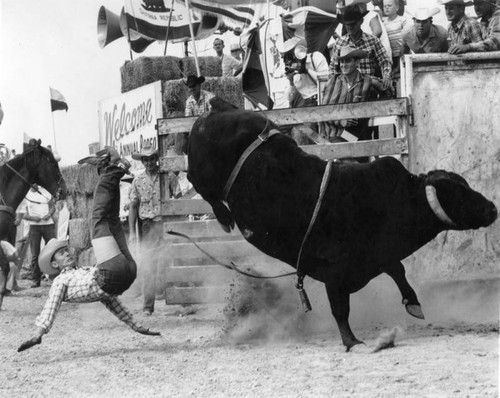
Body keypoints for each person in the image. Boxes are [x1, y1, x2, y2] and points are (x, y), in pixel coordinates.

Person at [17, 147, 160, 352]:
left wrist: (135, 326)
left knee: (110, 220)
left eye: (65, 250)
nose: (68, 253)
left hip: (124, 274)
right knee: (98, 217)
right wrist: (38, 333)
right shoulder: (59, 282)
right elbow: (51, 308)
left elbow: (111, 302)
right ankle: (116, 168)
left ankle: (106, 171)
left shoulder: (79, 272)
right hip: (114, 274)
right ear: (54, 265)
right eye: (62, 253)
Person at [128, 143, 181, 316]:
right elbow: (133, 208)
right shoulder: (137, 180)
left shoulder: (168, 176)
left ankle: (183, 300)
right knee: (148, 265)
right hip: (148, 226)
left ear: (156, 159)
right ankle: (147, 306)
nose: (149, 162)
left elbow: (179, 199)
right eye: (146, 159)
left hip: (166, 224)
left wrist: (179, 223)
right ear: (142, 161)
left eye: (152, 159)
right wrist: (132, 234)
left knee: (173, 260)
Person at [321, 45, 392, 161]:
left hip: (354, 135)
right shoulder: (332, 82)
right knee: (350, 162)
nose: (343, 65)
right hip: (334, 134)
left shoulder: (368, 81)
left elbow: (387, 91)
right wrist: (342, 120)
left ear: (357, 63)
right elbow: (323, 112)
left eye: (348, 61)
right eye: (342, 62)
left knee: (364, 158)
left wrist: (373, 108)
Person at [330, 5, 393, 92]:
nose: (350, 27)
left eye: (353, 24)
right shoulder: (339, 43)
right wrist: (333, 85)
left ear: (360, 21)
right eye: (348, 24)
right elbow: (333, 67)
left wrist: (386, 76)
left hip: (369, 87)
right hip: (347, 88)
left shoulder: (373, 41)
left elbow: (385, 61)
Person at [19, 184, 56, 288]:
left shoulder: (45, 192)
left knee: (53, 252)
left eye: (36, 183)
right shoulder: (25, 195)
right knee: (35, 254)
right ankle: (36, 280)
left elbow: (53, 207)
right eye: (32, 183)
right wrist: (33, 218)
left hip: (48, 225)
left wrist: (49, 215)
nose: (34, 185)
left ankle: (54, 278)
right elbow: (23, 215)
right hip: (34, 227)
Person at [280, 37, 329, 108]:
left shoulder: (315, 57)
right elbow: (289, 98)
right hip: (304, 105)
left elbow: (325, 82)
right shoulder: (290, 69)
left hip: (322, 100)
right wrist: (291, 82)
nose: (292, 58)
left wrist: (307, 70)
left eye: (292, 53)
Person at [382, 0, 412, 67]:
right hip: (390, 54)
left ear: (397, 7)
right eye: (384, 6)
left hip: (402, 53)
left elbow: (407, 37)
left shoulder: (402, 20)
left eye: (389, 5)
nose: (386, 8)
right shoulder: (383, 23)